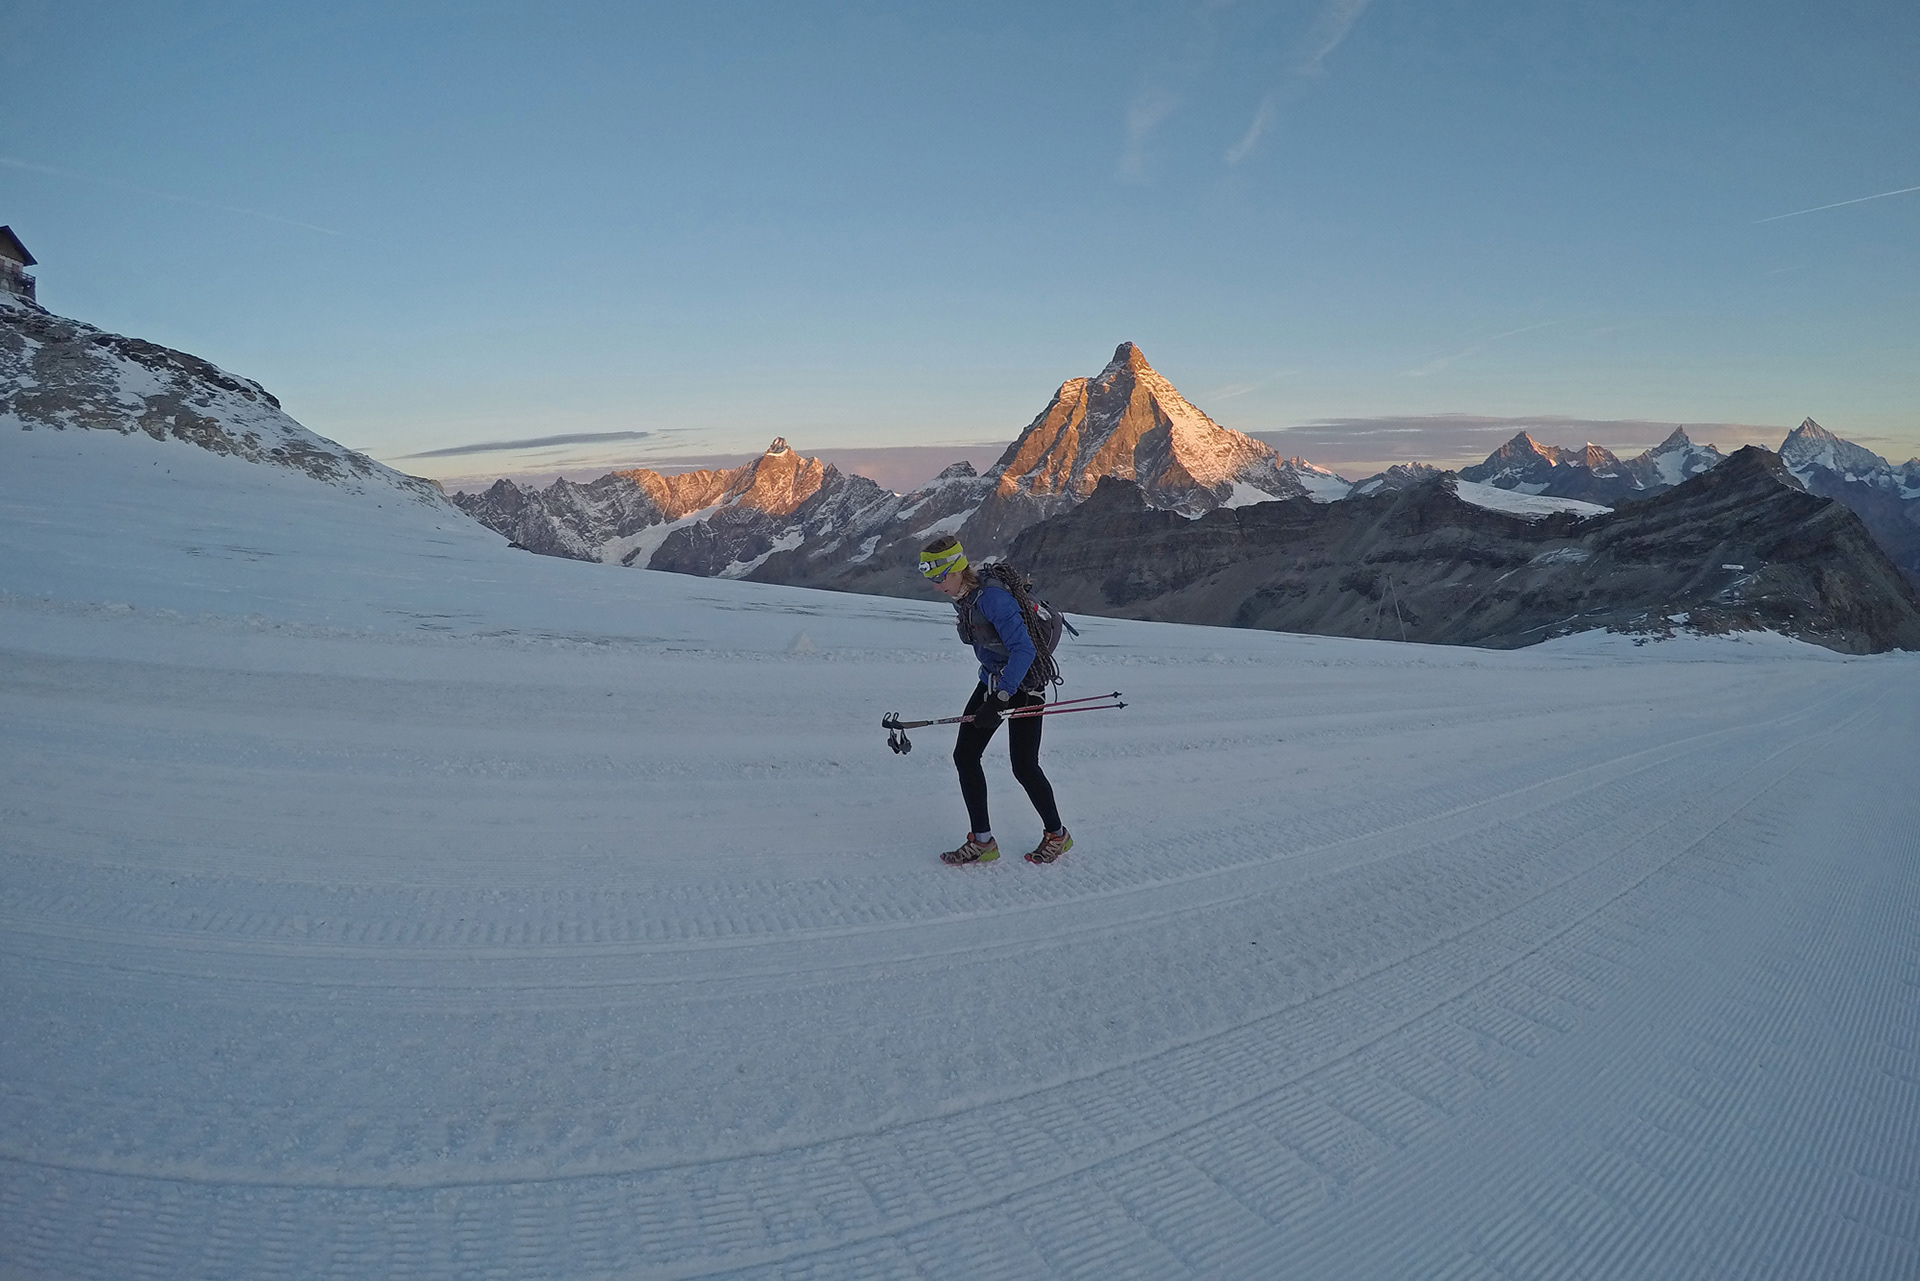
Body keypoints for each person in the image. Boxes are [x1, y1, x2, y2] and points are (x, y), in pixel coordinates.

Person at [918, 535, 1072, 866]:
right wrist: (994, 690)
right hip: (992, 681)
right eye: (930, 579)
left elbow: (1025, 650)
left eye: (939, 577)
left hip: (1025, 683)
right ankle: (983, 841)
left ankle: (1057, 835)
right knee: (965, 755)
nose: (935, 585)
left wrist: (1001, 696)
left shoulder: (992, 600)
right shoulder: (963, 595)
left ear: (957, 569)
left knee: (1024, 766)